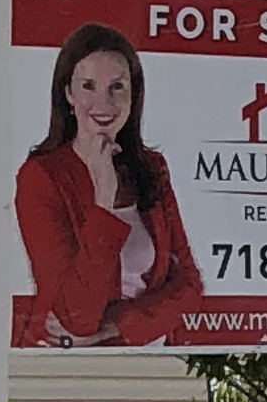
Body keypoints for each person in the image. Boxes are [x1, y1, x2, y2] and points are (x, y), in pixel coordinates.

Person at [17, 23, 204, 346]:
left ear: (133, 95)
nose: (103, 103)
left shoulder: (151, 168)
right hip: (63, 367)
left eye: (117, 87)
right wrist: (103, 201)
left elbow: (189, 284)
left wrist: (116, 327)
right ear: (68, 94)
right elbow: (76, 317)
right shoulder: (41, 177)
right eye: (88, 86)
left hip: (145, 358)